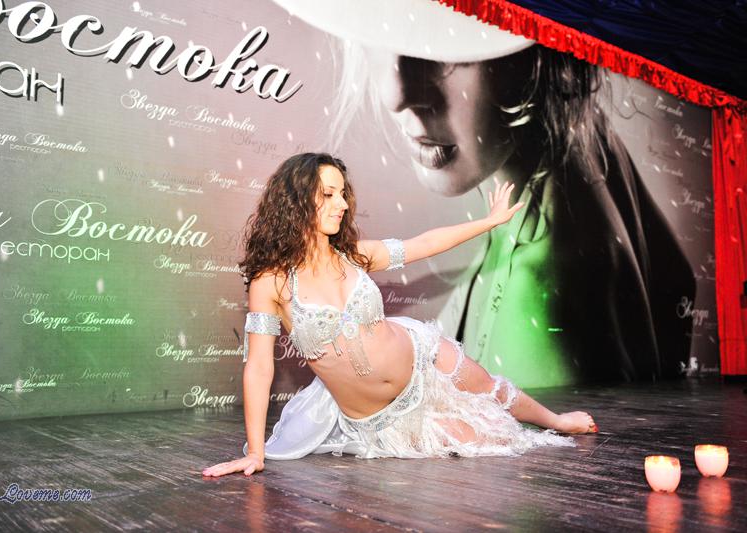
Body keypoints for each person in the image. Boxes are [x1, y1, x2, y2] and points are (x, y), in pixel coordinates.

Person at [274, 0, 696, 388]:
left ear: (543, 60)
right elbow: (676, 288)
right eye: (380, 33)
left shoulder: (535, 302)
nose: (396, 93)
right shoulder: (582, 139)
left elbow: (543, 446)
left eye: (447, 44)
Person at [202, 153, 597, 478]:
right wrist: (255, 452)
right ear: (297, 200)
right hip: (382, 418)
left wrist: (489, 222)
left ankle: (555, 420)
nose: (342, 204)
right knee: (491, 438)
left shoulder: (355, 254)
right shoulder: (270, 282)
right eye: (329, 194)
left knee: (490, 387)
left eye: (343, 194)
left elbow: (424, 243)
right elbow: (259, 368)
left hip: (421, 353)